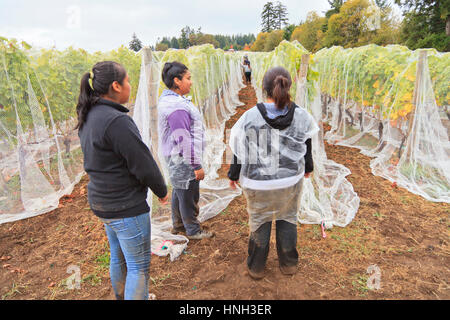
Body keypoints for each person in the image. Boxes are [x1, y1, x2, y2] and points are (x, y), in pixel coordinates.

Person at [76, 61, 168, 300]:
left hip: (103, 202)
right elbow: (143, 163)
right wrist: (161, 190)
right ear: (116, 86)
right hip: (125, 207)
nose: (130, 85)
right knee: (138, 267)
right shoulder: (116, 121)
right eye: (127, 81)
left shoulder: (89, 114)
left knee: (118, 255)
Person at [228, 66, 318, 280]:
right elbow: (307, 145)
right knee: (288, 217)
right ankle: (288, 264)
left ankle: (256, 267)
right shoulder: (302, 116)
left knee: (260, 219)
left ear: (264, 88)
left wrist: (233, 174)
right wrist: (308, 168)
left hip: (259, 184)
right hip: (290, 181)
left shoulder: (250, 117)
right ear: (289, 86)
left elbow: (239, 150)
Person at [157, 61, 214, 240]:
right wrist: (196, 165)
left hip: (176, 157)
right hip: (182, 158)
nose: (191, 82)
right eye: (188, 79)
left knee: (180, 190)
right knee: (188, 194)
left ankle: (179, 225)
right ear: (177, 81)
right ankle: (193, 230)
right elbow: (183, 139)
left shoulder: (171, 101)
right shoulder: (177, 107)